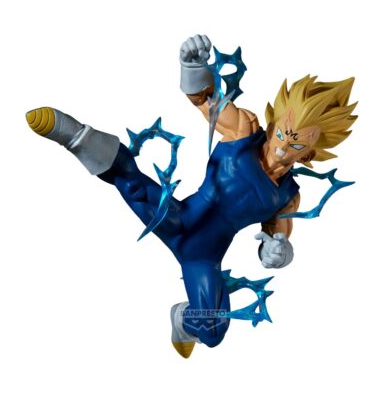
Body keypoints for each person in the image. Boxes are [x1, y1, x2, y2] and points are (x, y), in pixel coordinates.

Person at [26, 34, 357, 358]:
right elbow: (203, 99)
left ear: (308, 155)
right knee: (130, 181)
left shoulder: (288, 196)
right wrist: (192, 66)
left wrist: (278, 253)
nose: (283, 146)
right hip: (177, 218)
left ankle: (182, 320)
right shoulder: (243, 130)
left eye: (296, 144)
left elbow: (276, 241)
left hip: (205, 257)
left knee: (212, 332)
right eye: (283, 132)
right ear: (274, 123)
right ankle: (74, 136)